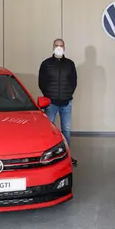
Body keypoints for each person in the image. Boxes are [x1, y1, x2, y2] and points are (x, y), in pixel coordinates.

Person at [38, 38, 78, 166]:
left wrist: (68, 94)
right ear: (53, 47)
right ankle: (49, 157)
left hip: (66, 102)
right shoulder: (46, 63)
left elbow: (74, 82)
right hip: (51, 103)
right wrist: (48, 96)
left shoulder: (70, 64)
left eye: (61, 45)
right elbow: (41, 82)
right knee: (49, 130)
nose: (59, 47)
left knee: (66, 129)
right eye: (56, 45)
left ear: (64, 48)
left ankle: (67, 156)